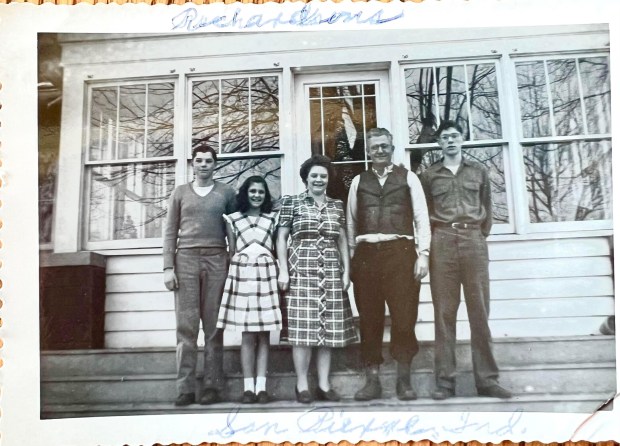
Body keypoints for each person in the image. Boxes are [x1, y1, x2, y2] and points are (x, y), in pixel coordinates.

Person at [420, 120, 512, 400]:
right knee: (444, 315)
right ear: (439, 143)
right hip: (442, 242)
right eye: (445, 137)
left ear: (462, 139)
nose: (450, 141)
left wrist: (477, 236)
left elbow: (488, 210)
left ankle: (487, 380)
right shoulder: (429, 175)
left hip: (473, 241)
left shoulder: (479, 171)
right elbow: (423, 215)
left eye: (455, 136)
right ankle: (445, 383)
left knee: (479, 312)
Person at [346, 127, 431, 401]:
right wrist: (351, 260)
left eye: (384, 145)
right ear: (368, 151)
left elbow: (422, 219)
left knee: (404, 318)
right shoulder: (359, 181)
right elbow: (350, 224)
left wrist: (424, 253)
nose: (380, 150)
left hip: (401, 252)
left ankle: (403, 381)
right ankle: (372, 381)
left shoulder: (409, 179)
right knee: (369, 319)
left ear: (392, 148)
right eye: (375, 147)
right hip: (367, 256)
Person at [277, 155, 357, 404]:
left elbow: (342, 239)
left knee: (328, 328)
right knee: (303, 328)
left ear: (328, 179)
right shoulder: (292, 202)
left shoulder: (336, 205)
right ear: (306, 179)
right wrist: (283, 270)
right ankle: (302, 384)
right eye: (314, 175)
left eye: (323, 175)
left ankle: (323, 384)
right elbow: (281, 238)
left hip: (331, 270)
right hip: (301, 269)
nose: (319, 179)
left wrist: (346, 271)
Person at [163, 145, 237, 406]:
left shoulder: (226, 193)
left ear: (215, 164)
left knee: (214, 326)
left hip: (217, 258)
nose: (204, 164)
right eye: (199, 160)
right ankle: (185, 388)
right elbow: (170, 231)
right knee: (186, 326)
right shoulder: (180, 193)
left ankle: (212, 386)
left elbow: (233, 231)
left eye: (208, 160)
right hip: (186, 259)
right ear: (192, 164)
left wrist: (233, 261)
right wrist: (167, 267)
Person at [216, 176, 281, 405]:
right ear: (246, 193)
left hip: (265, 276)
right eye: (252, 191)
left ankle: (261, 386)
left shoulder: (272, 218)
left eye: (261, 192)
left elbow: (274, 247)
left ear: (265, 195)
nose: (256, 195)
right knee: (247, 333)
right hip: (243, 275)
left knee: (264, 334)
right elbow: (232, 251)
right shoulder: (233, 219)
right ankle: (248, 387)